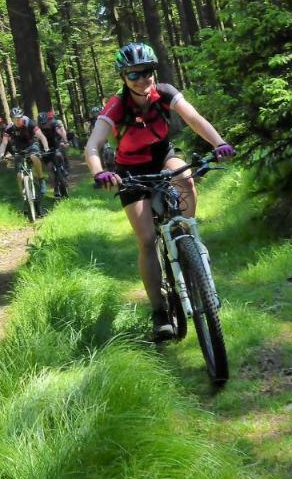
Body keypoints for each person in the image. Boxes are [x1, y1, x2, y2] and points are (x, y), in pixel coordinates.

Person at [84, 42, 235, 341]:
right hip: (130, 169)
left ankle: (188, 237)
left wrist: (218, 143)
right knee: (147, 240)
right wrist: (100, 172)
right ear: (124, 78)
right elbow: (93, 145)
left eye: (148, 71)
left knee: (186, 178)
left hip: (163, 154)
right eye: (134, 74)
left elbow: (194, 119)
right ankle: (160, 311)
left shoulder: (164, 92)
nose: (143, 79)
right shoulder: (116, 106)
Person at [0, 105, 50, 214]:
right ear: (11, 119)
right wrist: (1, 154)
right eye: (15, 118)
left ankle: (41, 178)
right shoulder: (9, 128)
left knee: (34, 156)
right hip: (19, 150)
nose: (17, 120)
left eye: (19, 118)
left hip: (32, 146)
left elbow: (41, 136)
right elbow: (4, 143)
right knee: (19, 176)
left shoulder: (28, 122)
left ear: (22, 117)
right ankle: (25, 199)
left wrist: (45, 147)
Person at [38, 110, 70, 197]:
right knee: (50, 168)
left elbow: (61, 131)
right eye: (42, 123)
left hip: (55, 146)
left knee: (59, 155)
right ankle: (56, 187)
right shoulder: (38, 129)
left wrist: (65, 140)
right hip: (44, 150)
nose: (44, 125)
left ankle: (63, 169)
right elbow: (35, 139)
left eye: (45, 123)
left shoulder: (54, 125)